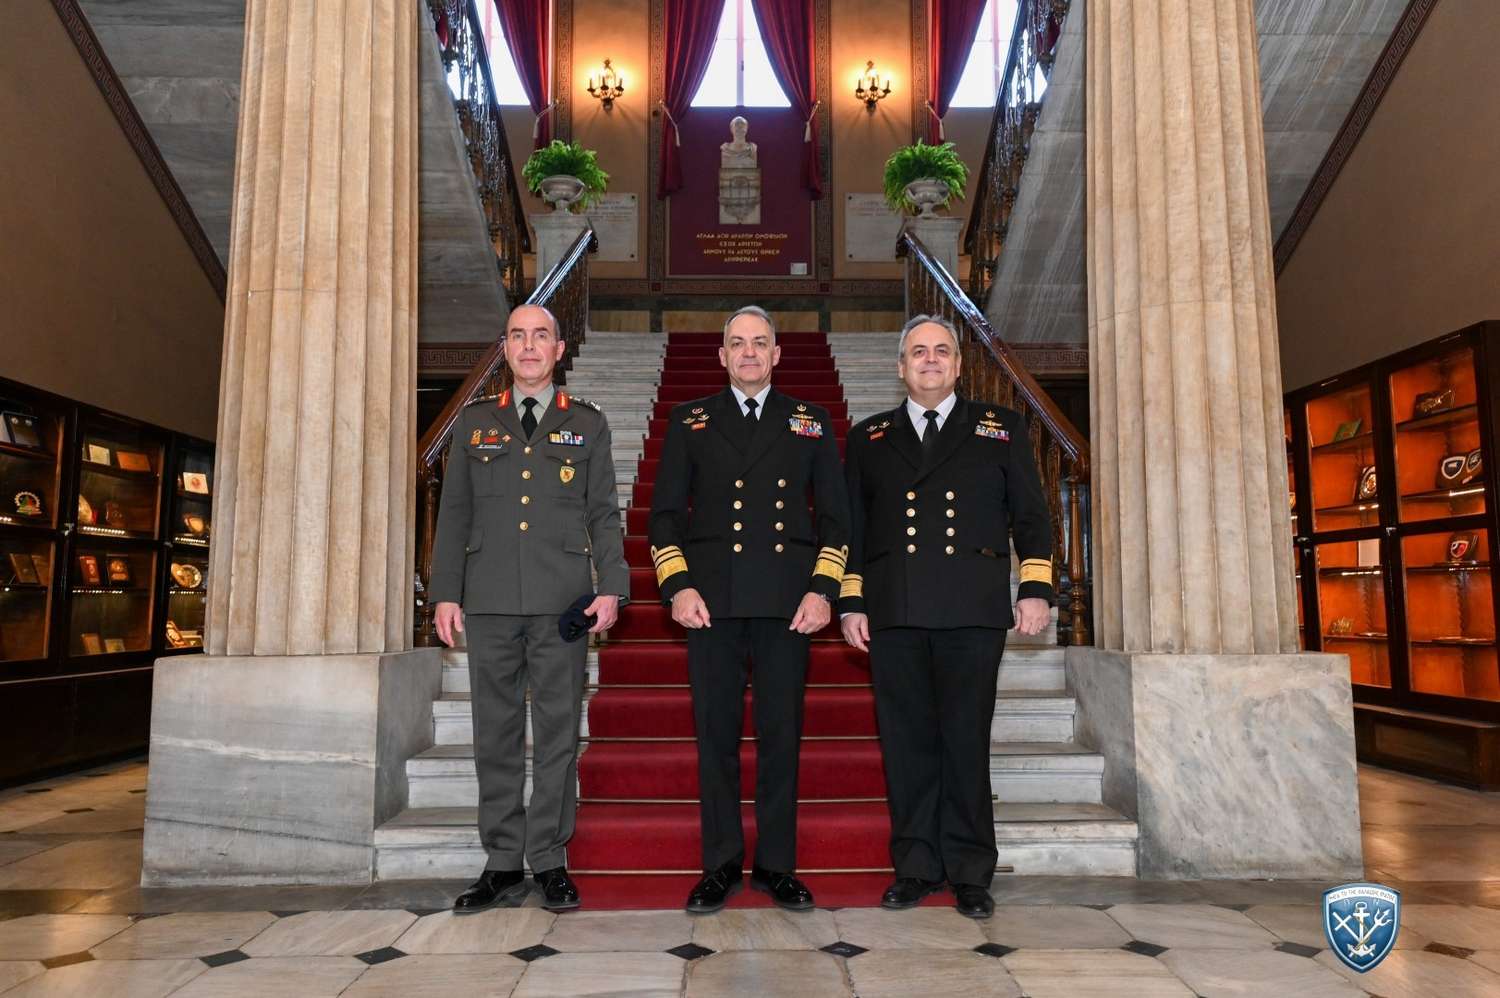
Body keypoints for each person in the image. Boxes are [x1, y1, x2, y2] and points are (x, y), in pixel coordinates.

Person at [837, 315, 1054, 920]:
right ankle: (915, 866)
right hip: (896, 609)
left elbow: (1031, 517)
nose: (929, 360)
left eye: (940, 351)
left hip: (971, 608)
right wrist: (852, 599)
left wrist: (1035, 588)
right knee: (906, 744)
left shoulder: (1000, 428)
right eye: (917, 352)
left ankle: (969, 871)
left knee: (965, 741)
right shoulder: (869, 436)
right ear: (900, 367)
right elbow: (852, 527)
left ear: (958, 365)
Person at [649, 306, 851, 914]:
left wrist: (823, 590)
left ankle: (776, 866)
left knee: (781, 736)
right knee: (715, 736)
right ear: (721, 355)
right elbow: (665, 517)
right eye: (737, 343)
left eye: (760, 343)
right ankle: (719, 864)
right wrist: (678, 586)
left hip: (788, 604)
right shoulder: (690, 420)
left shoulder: (809, 421)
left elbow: (837, 518)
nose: (749, 353)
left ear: (777, 354)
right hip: (709, 604)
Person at [428, 303, 629, 913]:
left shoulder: (587, 423)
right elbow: (454, 514)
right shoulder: (474, 422)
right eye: (518, 336)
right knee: (495, 734)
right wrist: (445, 592)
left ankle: (548, 858)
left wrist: (612, 586)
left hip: (561, 602)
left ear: (559, 350)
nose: (530, 345)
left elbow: (604, 512)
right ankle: (501, 862)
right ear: (507, 348)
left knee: (558, 734)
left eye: (541, 335)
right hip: (489, 600)